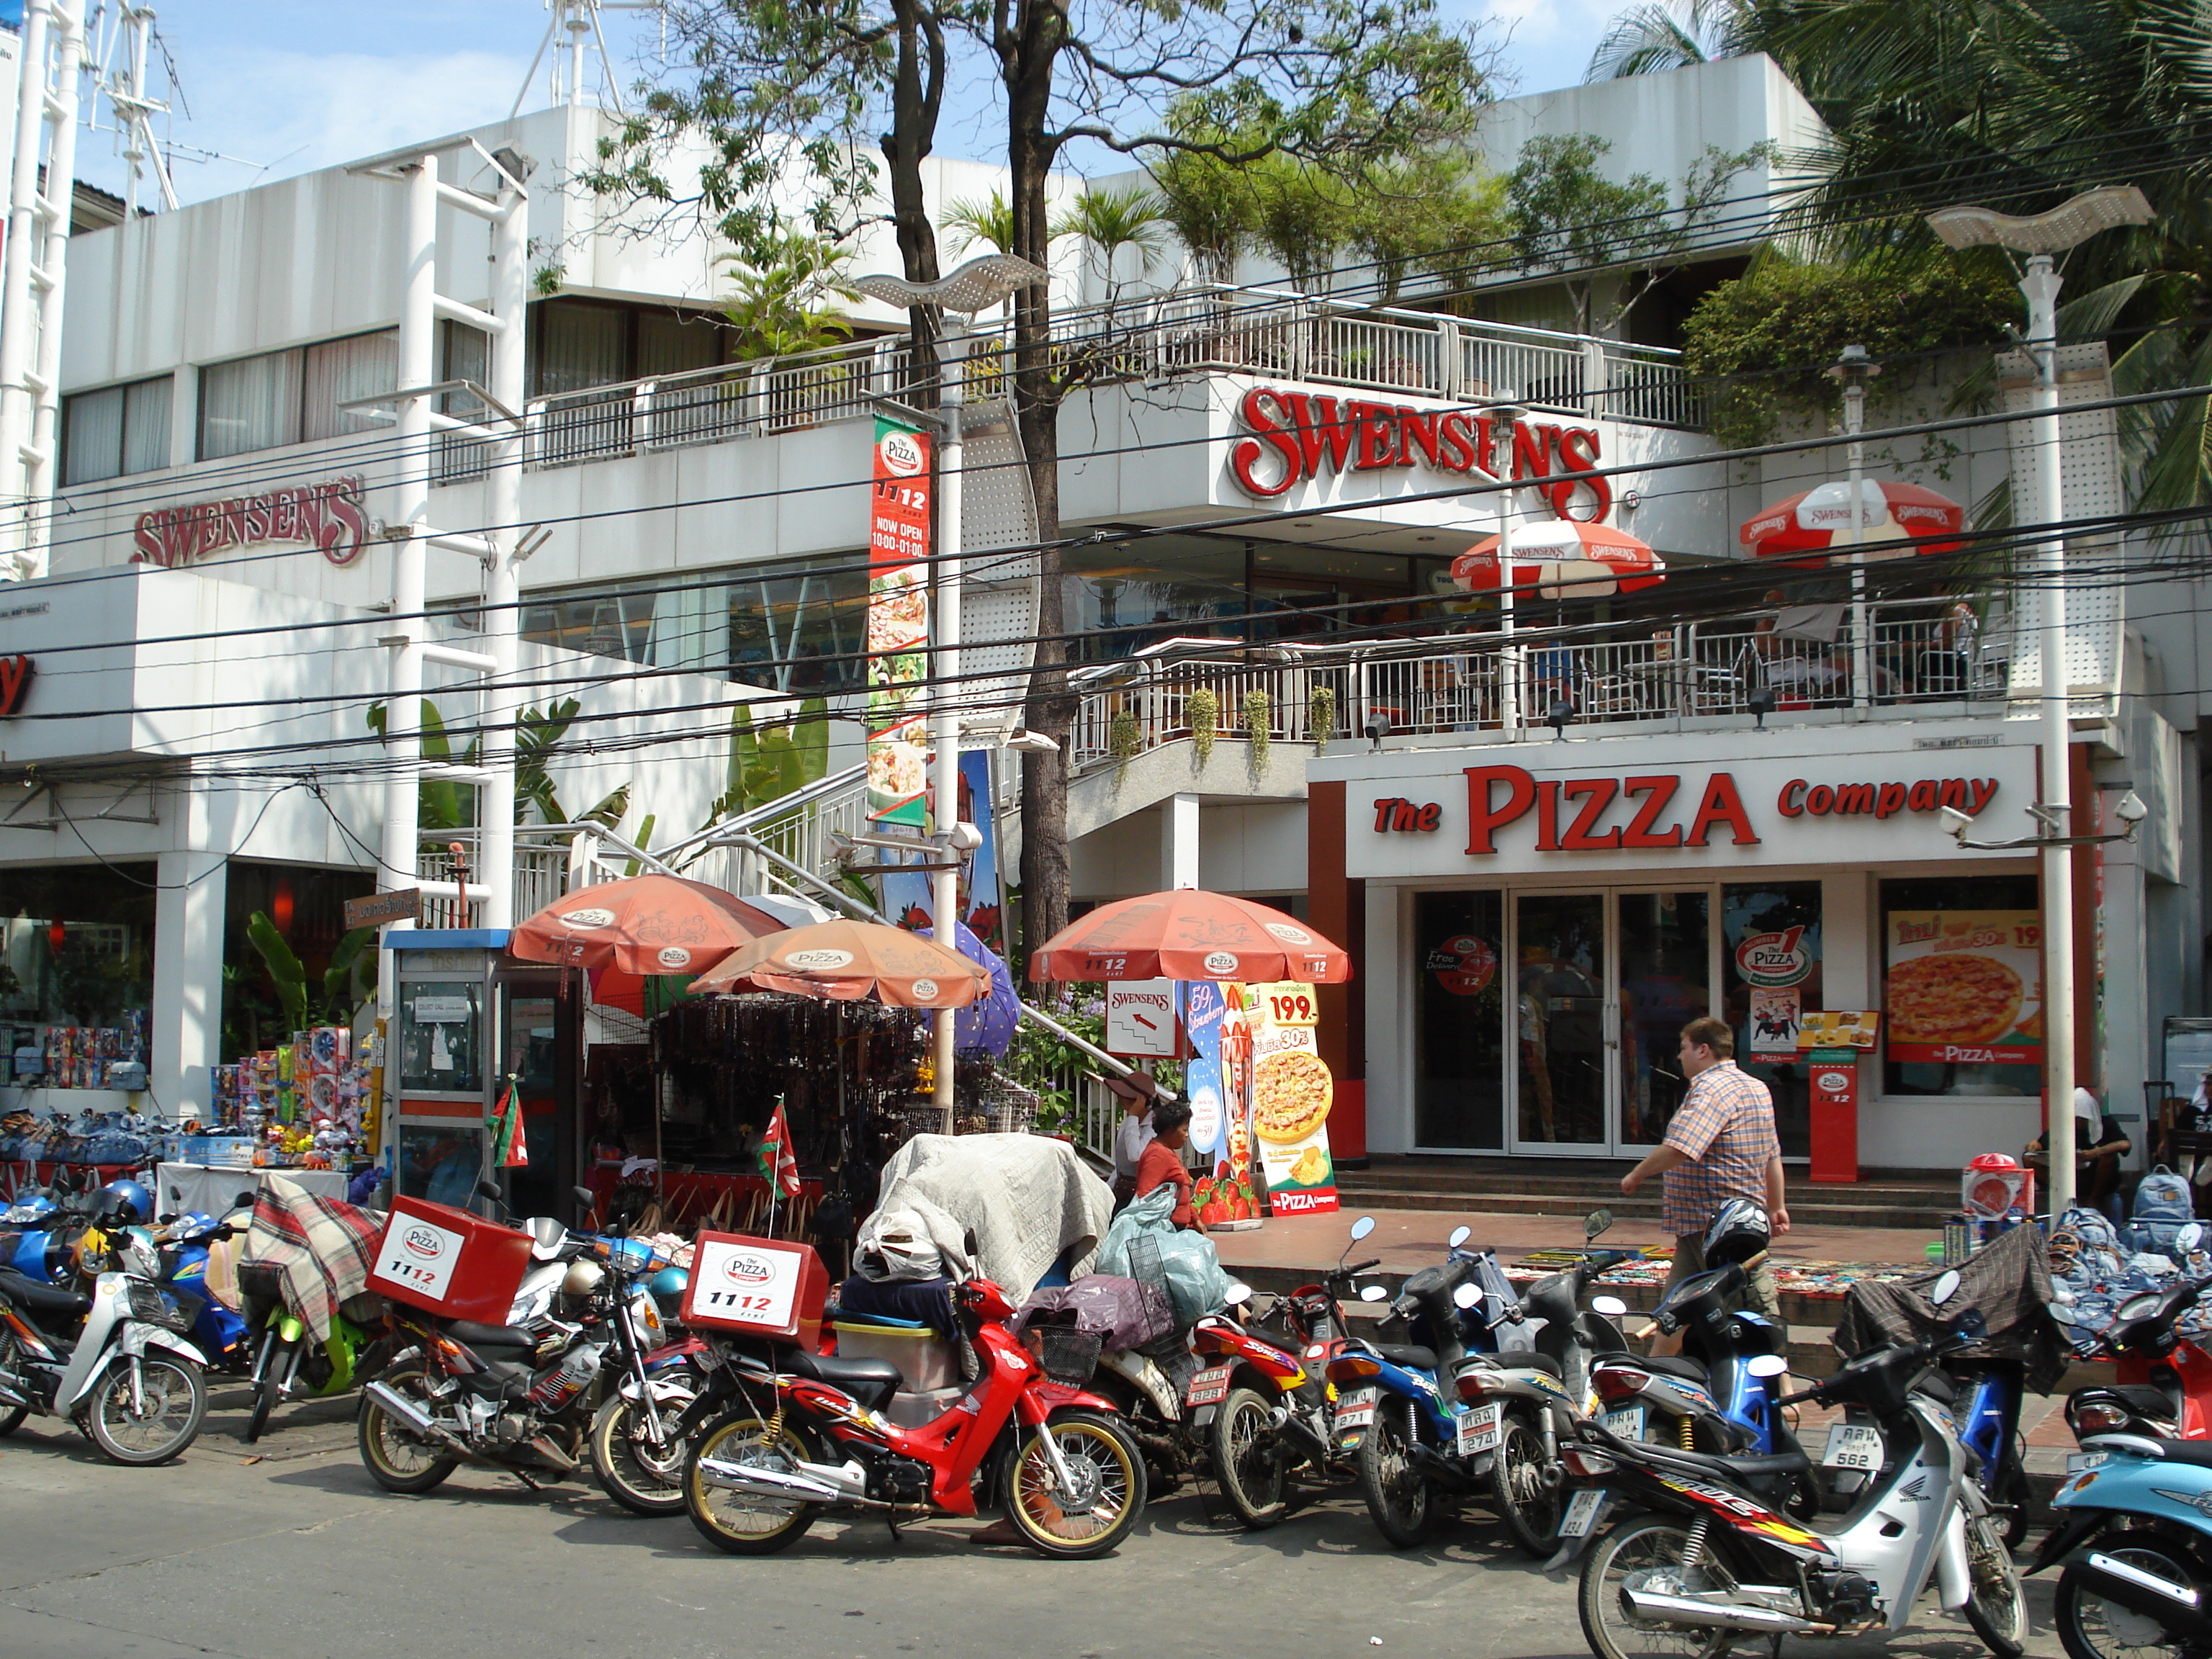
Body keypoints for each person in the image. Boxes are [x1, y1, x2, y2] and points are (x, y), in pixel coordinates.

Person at [1619, 1016, 1786, 1353]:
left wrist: (1636, 1175)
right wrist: (1776, 1206)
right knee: (1675, 1310)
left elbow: (1681, 1147)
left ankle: (1783, 1398)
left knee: (1755, 1313)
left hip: (1718, 1225)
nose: (1679, 1057)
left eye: (1683, 1049)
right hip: (1708, 1225)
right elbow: (1772, 1156)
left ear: (1704, 1050)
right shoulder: (1756, 1087)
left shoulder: (1711, 1089)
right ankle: (1656, 1378)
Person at [2026, 1087, 2133, 1224]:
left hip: (2099, 1182)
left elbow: (2125, 1144)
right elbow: (2043, 1145)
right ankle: (2059, 1191)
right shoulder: (2064, 1127)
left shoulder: (2107, 1124)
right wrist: (2034, 1145)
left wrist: (2096, 1152)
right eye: (2076, 1119)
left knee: (2108, 1158)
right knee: (2029, 1159)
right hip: (2071, 1177)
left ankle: (2092, 1200)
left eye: (2083, 1119)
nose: (2079, 1123)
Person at [1134, 1099, 1198, 1229]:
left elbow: (1182, 1190)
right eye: (1184, 1130)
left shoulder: (1167, 1152)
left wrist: (1195, 1219)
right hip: (1166, 1230)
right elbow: (1144, 1196)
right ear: (1170, 1129)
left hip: (1177, 1227)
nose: (1187, 1136)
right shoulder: (1157, 1156)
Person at [1105, 1070, 1159, 1208]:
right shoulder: (1128, 1122)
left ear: (1140, 1100)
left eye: (1125, 1096)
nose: (1120, 1099)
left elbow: (1135, 1155)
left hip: (1143, 1198)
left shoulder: (1154, 1126)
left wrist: (1134, 1116)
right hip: (1123, 1191)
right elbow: (1120, 1165)